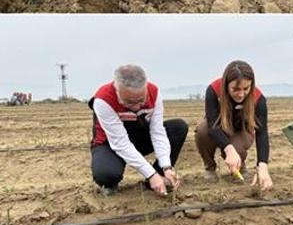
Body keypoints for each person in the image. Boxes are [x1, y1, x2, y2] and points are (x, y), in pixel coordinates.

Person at [89, 65, 187, 196]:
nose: (136, 107)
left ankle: (161, 176)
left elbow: (157, 132)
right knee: (106, 175)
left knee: (178, 127)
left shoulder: (154, 93)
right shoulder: (103, 100)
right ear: (117, 90)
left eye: (141, 101)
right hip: (110, 144)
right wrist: (150, 174)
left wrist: (166, 166)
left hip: (139, 138)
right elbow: (120, 143)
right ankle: (112, 183)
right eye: (129, 102)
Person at [194, 60, 273, 190]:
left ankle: (240, 165)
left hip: (240, 131)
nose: (241, 94)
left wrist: (262, 166)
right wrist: (228, 148)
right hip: (218, 127)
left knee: (237, 149)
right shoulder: (213, 90)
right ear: (226, 85)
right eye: (235, 89)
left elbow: (262, 134)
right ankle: (210, 168)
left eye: (246, 88)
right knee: (203, 130)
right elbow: (212, 125)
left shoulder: (258, 99)